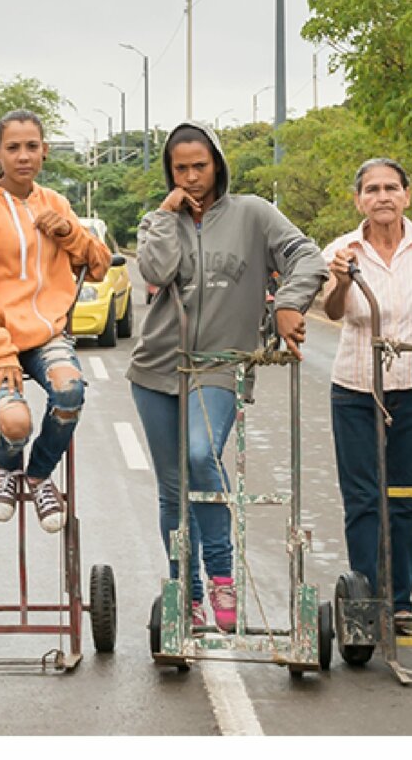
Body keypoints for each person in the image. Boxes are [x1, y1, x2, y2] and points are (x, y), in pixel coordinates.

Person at [128, 122, 323, 631]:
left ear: (218, 164)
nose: (191, 177)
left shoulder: (253, 214)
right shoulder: (157, 220)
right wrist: (168, 217)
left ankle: (220, 575)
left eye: (200, 166)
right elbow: (157, 271)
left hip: (221, 365)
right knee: (173, 489)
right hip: (156, 368)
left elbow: (307, 254)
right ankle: (185, 594)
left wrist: (287, 303)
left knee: (200, 454)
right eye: (180, 168)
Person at [314, 158, 412, 633]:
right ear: (358, 199)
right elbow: (333, 310)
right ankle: (367, 602)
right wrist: (342, 280)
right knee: (363, 497)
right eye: (372, 189)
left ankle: (399, 604)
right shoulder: (343, 249)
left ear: (407, 194)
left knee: (407, 496)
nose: (382, 196)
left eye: (391, 188)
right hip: (356, 384)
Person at [0, 110, 110, 536]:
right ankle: (5, 464)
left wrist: (70, 233)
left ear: (44, 151)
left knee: (70, 390)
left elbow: (97, 266)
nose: (23, 156)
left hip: (45, 335)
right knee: (15, 421)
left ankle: (36, 476)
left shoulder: (55, 202)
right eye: (13, 147)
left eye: (32, 147)